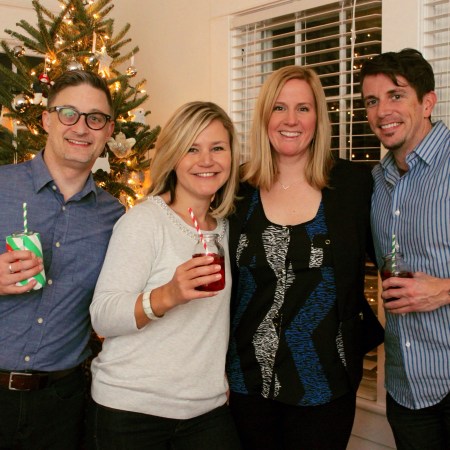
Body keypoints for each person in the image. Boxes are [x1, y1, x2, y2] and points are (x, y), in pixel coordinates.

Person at [226, 65, 384, 450]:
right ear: (265, 116)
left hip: (326, 384)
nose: (291, 120)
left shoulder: (353, 185)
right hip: (246, 383)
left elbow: (395, 254)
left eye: (303, 108)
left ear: (318, 117)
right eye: (279, 108)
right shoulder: (237, 188)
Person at [88, 101, 242, 450]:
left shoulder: (227, 229)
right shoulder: (144, 222)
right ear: (173, 156)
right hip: (131, 410)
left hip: (206, 409)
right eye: (192, 149)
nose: (207, 160)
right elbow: (103, 316)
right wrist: (168, 295)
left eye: (218, 148)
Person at [0, 70, 125, 449]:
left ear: (108, 130)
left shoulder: (115, 217)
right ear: (46, 119)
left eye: (95, 118)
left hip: (62, 404)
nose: (81, 127)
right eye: (69, 113)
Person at [361, 48, 450, 450]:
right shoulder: (376, 184)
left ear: (427, 103)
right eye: (372, 101)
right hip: (406, 388)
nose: (382, 111)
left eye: (395, 96)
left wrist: (444, 290)